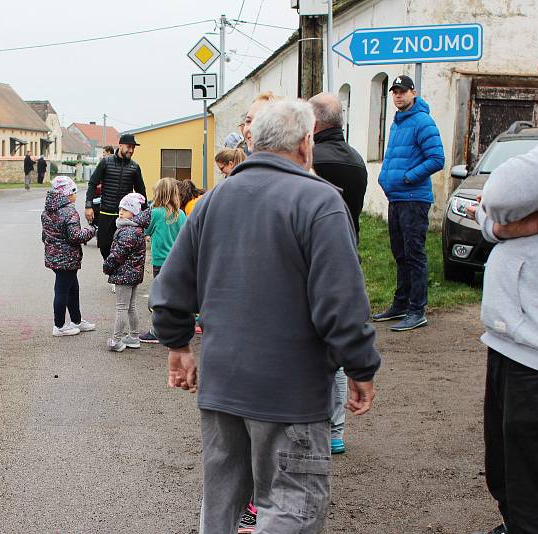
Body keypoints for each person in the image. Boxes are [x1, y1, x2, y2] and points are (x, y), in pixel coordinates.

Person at [150, 100, 380, 533]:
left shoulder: (215, 198)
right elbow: (342, 304)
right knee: (292, 504)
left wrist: (178, 345)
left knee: (220, 504)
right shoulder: (320, 202)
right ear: (307, 144)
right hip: (290, 392)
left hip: (222, 386)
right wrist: (361, 365)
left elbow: (172, 286)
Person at [465, 20, 538, 534]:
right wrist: (502, 229)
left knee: (530, 474)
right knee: (507, 467)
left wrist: (496, 216)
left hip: (537, 346)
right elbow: (489, 211)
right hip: (517, 338)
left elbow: (497, 192)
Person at [308, 92, 370, 456]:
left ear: (313, 125)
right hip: (349, 256)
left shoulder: (312, 159)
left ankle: (310, 424)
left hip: (316, 261)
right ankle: (336, 430)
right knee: (337, 352)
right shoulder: (357, 160)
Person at [371, 74, 445, 332]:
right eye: (394, 92)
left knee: (415, 255)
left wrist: (408, 177)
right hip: (397, 198)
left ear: (413, 92)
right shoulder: (397, 123)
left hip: (414, 199)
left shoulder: (422, 121)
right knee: (400, 254)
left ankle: (417, 310)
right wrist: (386, 178)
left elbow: (437, 158)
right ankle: (400, 304)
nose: (398, 95)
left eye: (402, 91)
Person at [41, 176, 97, 337]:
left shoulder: (48, 209)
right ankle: (59, 326)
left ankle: (76, 320)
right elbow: (76, 237)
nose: (76, 195)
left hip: (54, 256)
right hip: (67, 258)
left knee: (73, 288)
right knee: (62, 290)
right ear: (67, 193)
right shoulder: (69, 212)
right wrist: (92, 230)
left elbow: (44, 235)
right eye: (74, 192)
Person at [308, 92, 368, 241]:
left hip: (316, 247)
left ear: (313, 124)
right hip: (349, 245)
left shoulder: (307, 159)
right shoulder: (357, 159)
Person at [138, 178, 187, 345]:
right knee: (172, 296)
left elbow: (146, 230)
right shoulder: (181, 214)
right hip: (177, 261)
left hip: (160, 261)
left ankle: (158, 331)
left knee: (159, 297)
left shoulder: (156, 212)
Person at [85, 134, 147, 261]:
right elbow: (92, 184)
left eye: (133, 148)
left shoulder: (134, 167)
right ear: (120, 145)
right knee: (103, 245)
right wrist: (88, 205)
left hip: (125, 216)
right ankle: (111, 267)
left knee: (124, 246)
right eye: (129, 147)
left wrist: (145, 215)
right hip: (105, 212)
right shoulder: (105, 163)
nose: (131, 150)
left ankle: (118, 274)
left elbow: (141, 192)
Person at [102, 192, 149, 352]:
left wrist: (107, 266)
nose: (121, 212)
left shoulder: (128, 231)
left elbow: (117, 255)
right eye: (120, 208)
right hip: (134, 274)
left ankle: (116, 340)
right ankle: (134, 337)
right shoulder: (136, 229)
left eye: (125, 209)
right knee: (131, 306)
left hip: (124, 274)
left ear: (134, 213)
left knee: (122, 307)